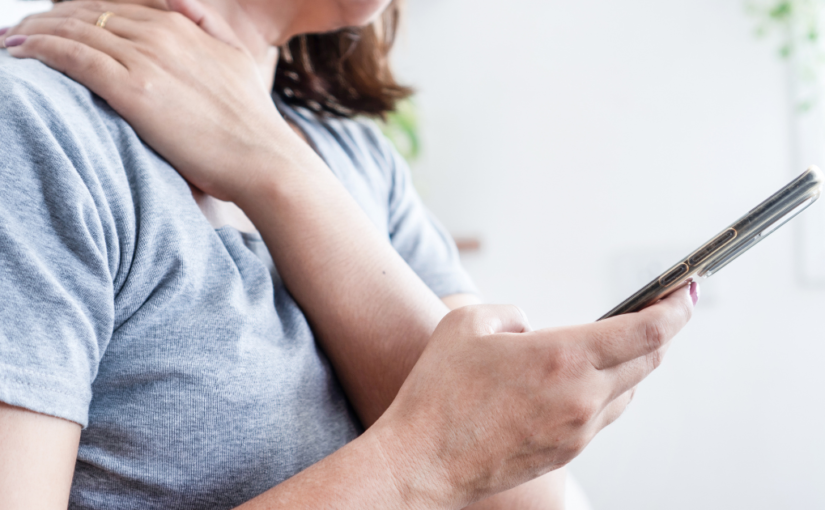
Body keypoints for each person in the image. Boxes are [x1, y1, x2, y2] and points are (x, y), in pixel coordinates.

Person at [0, 0, 697, 508]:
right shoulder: (33, 130)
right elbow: (474, 453)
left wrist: (277, 168)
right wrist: (418, 464)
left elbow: (528, 498)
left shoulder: (353, 158)